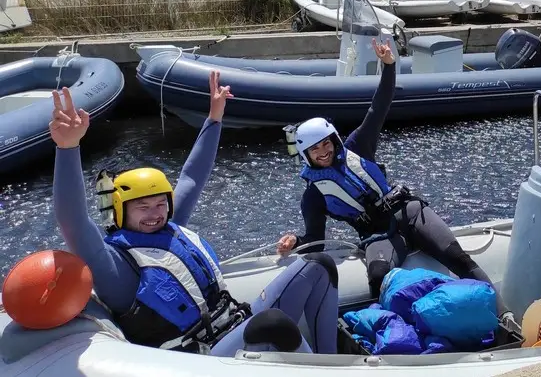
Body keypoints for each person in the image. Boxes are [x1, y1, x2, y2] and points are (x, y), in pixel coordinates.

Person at [51, 72, 340, 356]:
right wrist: (67, 147)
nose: (155, 214)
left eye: (160, 204)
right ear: (120, 210)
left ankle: (331, 361)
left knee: (319, 264)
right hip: (201, 358)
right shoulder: (113, 266)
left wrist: (214, 117)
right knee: (272, 324)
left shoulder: (170, 228)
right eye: (143, 207)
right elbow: (73, 221)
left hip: (234, 327)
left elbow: (192, 176)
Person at [274, 38, 515, 330]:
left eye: (326, 144)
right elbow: (315, 237)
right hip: (377, 236)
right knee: (378, 278)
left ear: (335, 141)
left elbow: (379, 107)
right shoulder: (313, 196)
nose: (323, 152)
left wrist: (389, 65)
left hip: (409, 213)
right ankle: (396, 337)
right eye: (315, 150)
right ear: (306, 155)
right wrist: (295, 242)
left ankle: (504, 316)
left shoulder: (358, 146)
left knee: (456, 257)